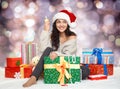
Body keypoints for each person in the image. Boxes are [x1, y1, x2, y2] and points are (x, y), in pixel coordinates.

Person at [23, 9, 89, 87]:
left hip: (66, 63)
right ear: (55, 24)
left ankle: (51, 74)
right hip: (54, 63)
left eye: (64, 22)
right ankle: (33, 78)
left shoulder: (72, 36)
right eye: (59, 22)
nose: (61, 24)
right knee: (48, 49)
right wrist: (45, 30)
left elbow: (69, 55)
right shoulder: (52, 35)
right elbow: (43, 50)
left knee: (85, 71)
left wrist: (57, 54)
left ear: (67, 24)